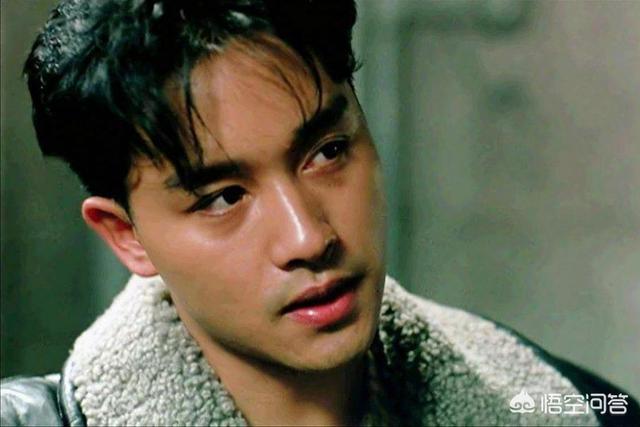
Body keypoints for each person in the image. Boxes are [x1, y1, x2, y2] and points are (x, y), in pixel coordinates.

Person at [1, 0, 638, 425]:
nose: (307, 237)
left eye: (327, 152)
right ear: (127, 236)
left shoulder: (565, 404)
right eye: (223, 198)